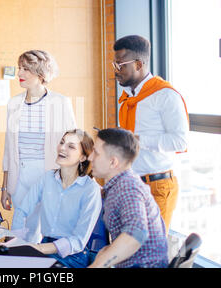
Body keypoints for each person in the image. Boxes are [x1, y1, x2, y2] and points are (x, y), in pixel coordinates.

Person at [113, 35, 189, 232]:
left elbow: (180, 141)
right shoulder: (129, 97)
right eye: (115, 64)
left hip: (158, 185)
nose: (116, 71)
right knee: (129, 248)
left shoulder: (165, 95)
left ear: (138, 64)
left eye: (121, 65)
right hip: (132, 183)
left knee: (151, 253)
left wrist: (137, 140)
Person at [1, 50, 76, 243]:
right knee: (21, 229)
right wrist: (4, 187)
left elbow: (73, 145)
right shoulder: (14, 103)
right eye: (20, 68)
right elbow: (9, 150)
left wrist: (70, 181)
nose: (19, 74)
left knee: (46, 229)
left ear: (41, 74)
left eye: (26, 69)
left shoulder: (60, 102)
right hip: (20, 175)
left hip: (49, 173)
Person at [11, 129, 102, 268]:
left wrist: (38, 248)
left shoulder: (90, 189)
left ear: (83, 157)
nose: (62, 148)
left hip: (74, 256)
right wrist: (16, 242)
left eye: (71, 146)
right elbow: (22, 210)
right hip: (45, 246)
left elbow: (78, 241)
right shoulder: (47, 178)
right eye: (62, 142)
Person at [88, 128, 169, 268]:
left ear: (113, 162)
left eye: (95, 153)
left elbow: (136, 233)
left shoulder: (127, 188)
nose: (90, 157)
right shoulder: (122, 183)